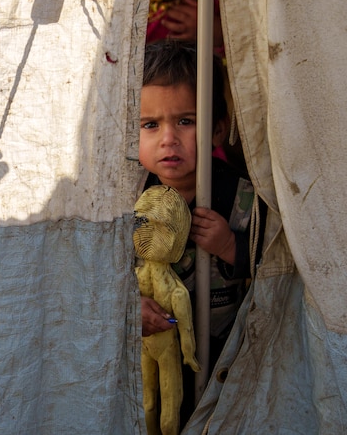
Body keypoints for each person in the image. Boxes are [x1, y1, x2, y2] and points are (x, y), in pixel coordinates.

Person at [137, 39, 264, 423]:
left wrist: (231, 246)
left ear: (218, 129)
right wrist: (130, 308)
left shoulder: (242, 195)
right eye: (150, 125)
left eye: (185, 121)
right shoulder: (125, 203)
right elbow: (97, 273)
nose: (168, 139)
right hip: (151, 353)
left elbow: (276, 268)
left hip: (226, 355)